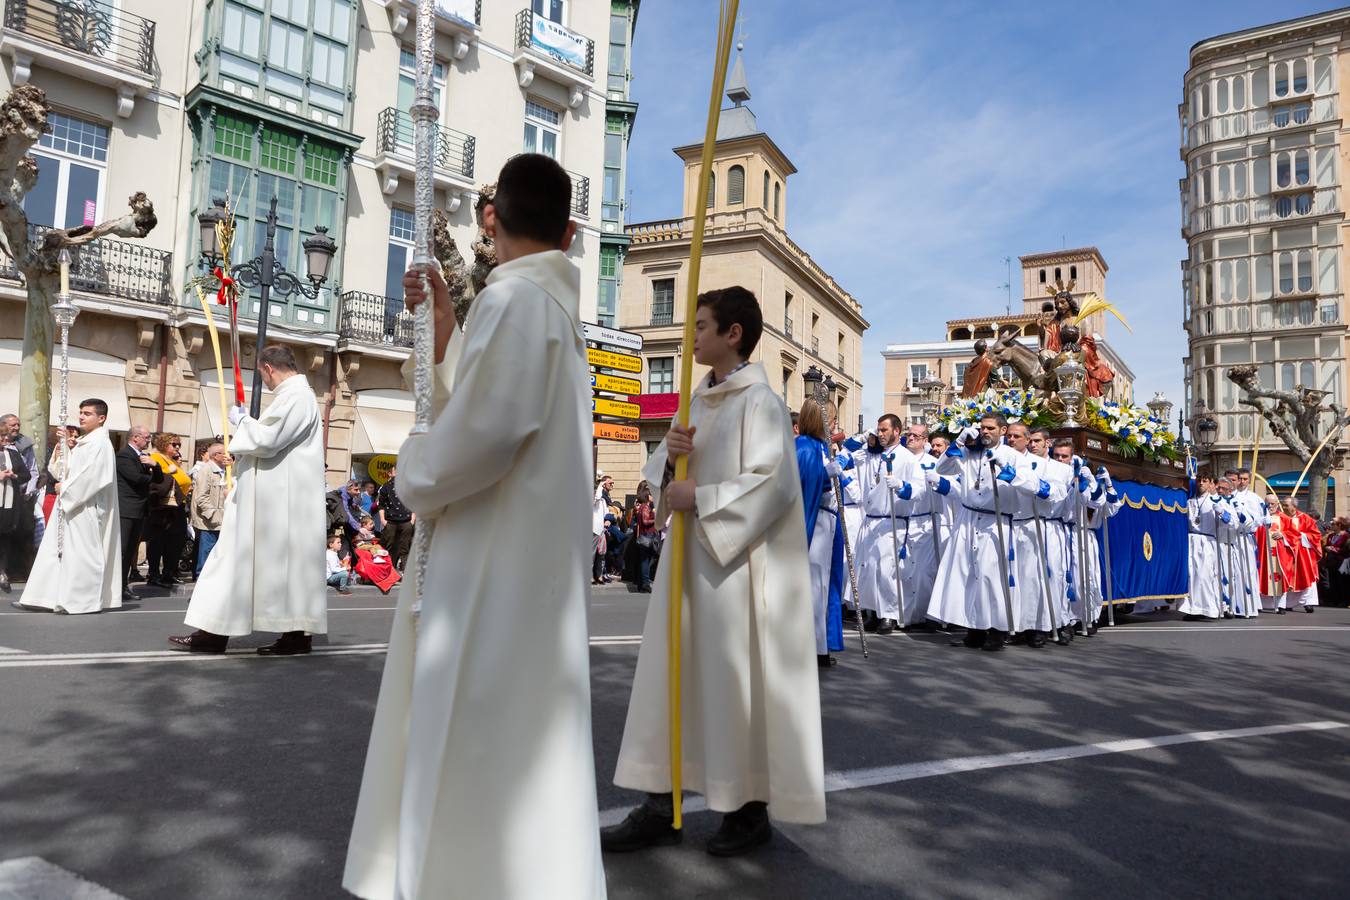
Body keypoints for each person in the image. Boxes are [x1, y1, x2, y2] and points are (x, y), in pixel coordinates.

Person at [344, 153, 605, 900]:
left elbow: (487, 429)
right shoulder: (546, 307)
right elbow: (494, 395)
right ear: (572, 229)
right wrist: (447, 326)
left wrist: (415, 469)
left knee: (479, 723)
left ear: (489, 220)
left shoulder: (517, 302)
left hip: (493, 559)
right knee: (518, 731)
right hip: (528, 561)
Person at [602, 285, 825, 857]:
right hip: (687, 562)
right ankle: (661, 802)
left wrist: (698, 494)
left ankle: (748, 811)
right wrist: (670, 452)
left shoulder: (763, 403)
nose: (690, 335)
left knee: (732, 683)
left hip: (733, 568)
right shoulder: (694, 400)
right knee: (670, 679)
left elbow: (771, 486)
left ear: (732, 334)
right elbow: (662, 481)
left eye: (700, 325)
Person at [170, 344, 328, 655]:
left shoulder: (295, 396)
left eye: (263, 375)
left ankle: (216, 634)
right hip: (276, 502)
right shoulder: (297, 397)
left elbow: (267, 441)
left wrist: (242, 422)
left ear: (269, 369)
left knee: (234, 563)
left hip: (273, 504)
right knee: (285, 571)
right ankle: (290, 634)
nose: (265, 382)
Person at [927, 414, 1023, 651]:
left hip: (995, 520)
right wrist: (957, 443)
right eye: (982, 428)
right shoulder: (968, 452)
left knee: (991, 575)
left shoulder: (1012, 456)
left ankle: (997, 629)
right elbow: (942, 469)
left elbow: (1022, 482)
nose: (985, 432)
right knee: (968, 574)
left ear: (1002, 430)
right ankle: (974, 628)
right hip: (968, 518)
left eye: (990, 428)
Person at [15, 400, 121, 614]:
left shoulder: (101, 443)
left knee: (82, 553)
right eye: (81, 412)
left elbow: (95, 477)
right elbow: (69, 469)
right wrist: (64, 448)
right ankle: (46, 596)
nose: (82, 416)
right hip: (71, 502)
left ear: (101, 418)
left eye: (88, 413)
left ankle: (81, 600)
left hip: (87, 505)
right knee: (57, 548)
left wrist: (67, 487)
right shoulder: (85, 442)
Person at [843, 414, 907, 634]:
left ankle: (889, 614)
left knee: (886, 570)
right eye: (879, 430)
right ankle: (872, 611)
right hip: (870, 520)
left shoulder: (905, 457)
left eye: (884, 430)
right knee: (868, 568)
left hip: (891, 521)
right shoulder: (873, 456)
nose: (880, 434)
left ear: (896, 431)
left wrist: (903, 487)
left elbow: (916, 489)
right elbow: (849, 453)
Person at [796, 397, 845, 668]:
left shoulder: (822, 447)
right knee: (813, 586)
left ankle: (821, 642)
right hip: (815, 527)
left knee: (824, 586)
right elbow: (799, 482)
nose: (835, 423)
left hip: (827, 525)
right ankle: (811, 647)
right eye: (831, 418)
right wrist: (825, 475)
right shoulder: (803, 447)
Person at [114, 424, 162, 598]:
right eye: (147, 437)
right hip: (126, 509)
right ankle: (116, 587)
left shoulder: (145, 457)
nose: (149, 440)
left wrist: (155, 465)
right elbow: (136, 479)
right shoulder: (123, 456)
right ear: (135, 438)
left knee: (130, 549)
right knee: (123, 549)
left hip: (140, 510)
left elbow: (159, 478)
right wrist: (150, 475)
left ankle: (122, 586)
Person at [145, 432, 191, 588]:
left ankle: (169, 572)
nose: (177, 447)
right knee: (158, 541)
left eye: (179, 444)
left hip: (177, 506)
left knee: (176, 541)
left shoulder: (173, 461)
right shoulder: (157, 458)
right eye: (174, 444)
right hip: (163, 507)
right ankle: (154, 574)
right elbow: (156, 478)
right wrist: (169, 472)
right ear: (164, 444)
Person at [0, 429, 32, 593]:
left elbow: (26, 475)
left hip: (7, 504)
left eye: (7, 436)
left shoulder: (12, 454)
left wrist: (13, 476)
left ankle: (3, 573)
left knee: (4, 538)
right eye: (2, 436)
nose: (5, 439)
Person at [190, 442, 227, 578]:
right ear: (215, 455)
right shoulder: (206, 471)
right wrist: (213, 515)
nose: (227, 455)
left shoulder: (225, 471)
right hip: (210, 523)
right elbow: (201, 497)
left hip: (222, 521)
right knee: (206, 555)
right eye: (224, 452)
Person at [1282, 496, 1322, 613]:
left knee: (1306, 576)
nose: (1283, 507)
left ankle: (1308, 602)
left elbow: (1316, 535)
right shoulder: (1280, 518)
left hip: (1303, 554)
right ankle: (1288, 603)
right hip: (1286, 553)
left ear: (1294, 507)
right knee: (1288, 577)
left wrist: (1299, 536)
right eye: (1283, 505)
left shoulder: (1305, 518)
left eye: (1286, 505)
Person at [375, 467, 413, 570]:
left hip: (406, 521)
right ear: (390, 473)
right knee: (389, 546)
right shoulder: (385, 487)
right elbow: (381, 505)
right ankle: (389, 570)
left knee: (405, 547)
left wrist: (412, 520)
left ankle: (405, 570)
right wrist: (383, 520)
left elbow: (414, 503)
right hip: (391, 521)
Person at [631, 483, 659, 593]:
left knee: (645, 560)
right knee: (645, 561)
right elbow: (645, 521)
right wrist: (656, 520)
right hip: (647, 536)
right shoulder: (645, 507)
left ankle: (642, 583)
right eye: (651, 495)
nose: (653, 497)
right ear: (648, 496)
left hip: (647, 535)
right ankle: (645, 583)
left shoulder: (645, 507)